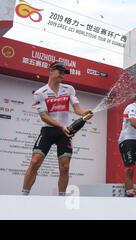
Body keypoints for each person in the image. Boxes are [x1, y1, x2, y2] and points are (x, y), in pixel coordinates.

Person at [22, 62, 93, 196]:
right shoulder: (40, 93)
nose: (62, 75)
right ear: (51, 71)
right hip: (48, 130)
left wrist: (84, 112)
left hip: (64, 133)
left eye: (64, 72)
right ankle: (24, 195)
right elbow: (44, 116)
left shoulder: (69, 89)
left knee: (65, 167)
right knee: (35, 161)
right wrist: (60, 126)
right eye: (60, 71)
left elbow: (77, 109)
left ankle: (61, 199)